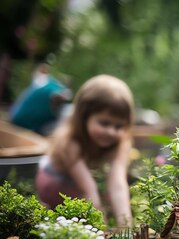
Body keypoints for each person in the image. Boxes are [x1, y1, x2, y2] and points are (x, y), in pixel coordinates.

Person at [35, 74, 134, 226]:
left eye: (118, 126)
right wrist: (101, 229)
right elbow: (88, 189)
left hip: (83, 182)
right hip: (55, 182)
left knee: (110, 194)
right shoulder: (70, 143)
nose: (111, 132)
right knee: (90, 197)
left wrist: (126, 226)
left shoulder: (121, 143)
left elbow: (118, 185)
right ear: (83, 117)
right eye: (104, 123)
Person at [9, 63, 72, 135]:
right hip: (21, 123)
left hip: (15, 117)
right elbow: (63, 96)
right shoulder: (52, 87)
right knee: (66, 111)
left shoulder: (41, 84)